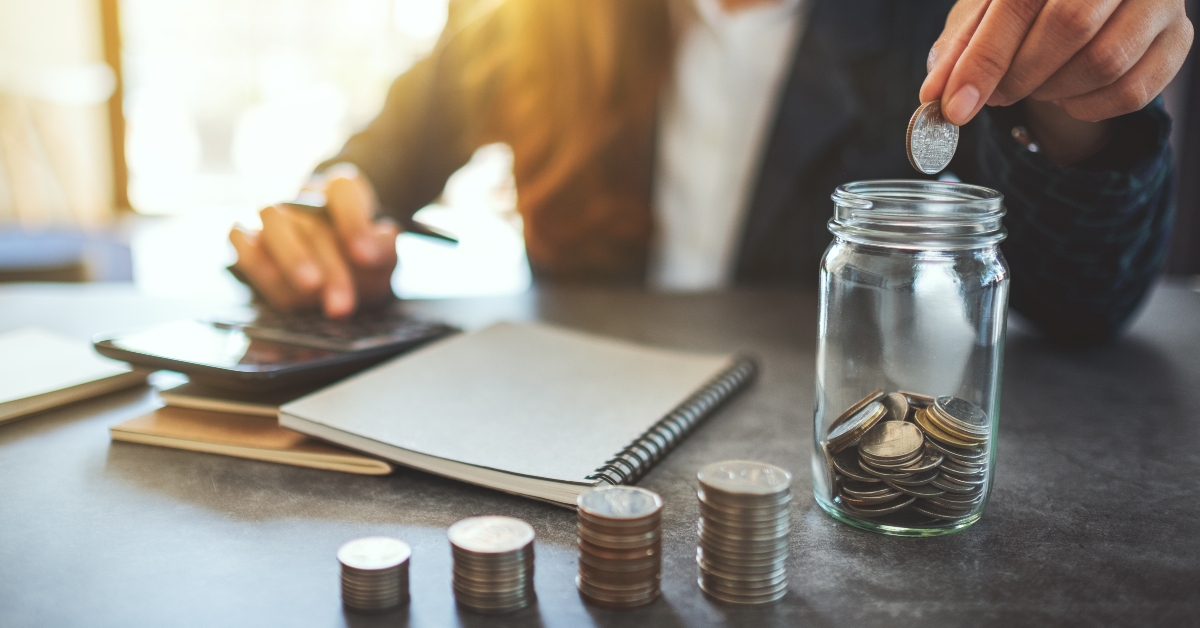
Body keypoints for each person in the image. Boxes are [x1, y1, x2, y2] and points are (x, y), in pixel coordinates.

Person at [229, 0, 1193, 345]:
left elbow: (1086, 307)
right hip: (566, 461)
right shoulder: (525, 17)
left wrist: (1072, 115)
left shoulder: (955, 18)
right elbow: (369, 165)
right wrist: (326, 216)